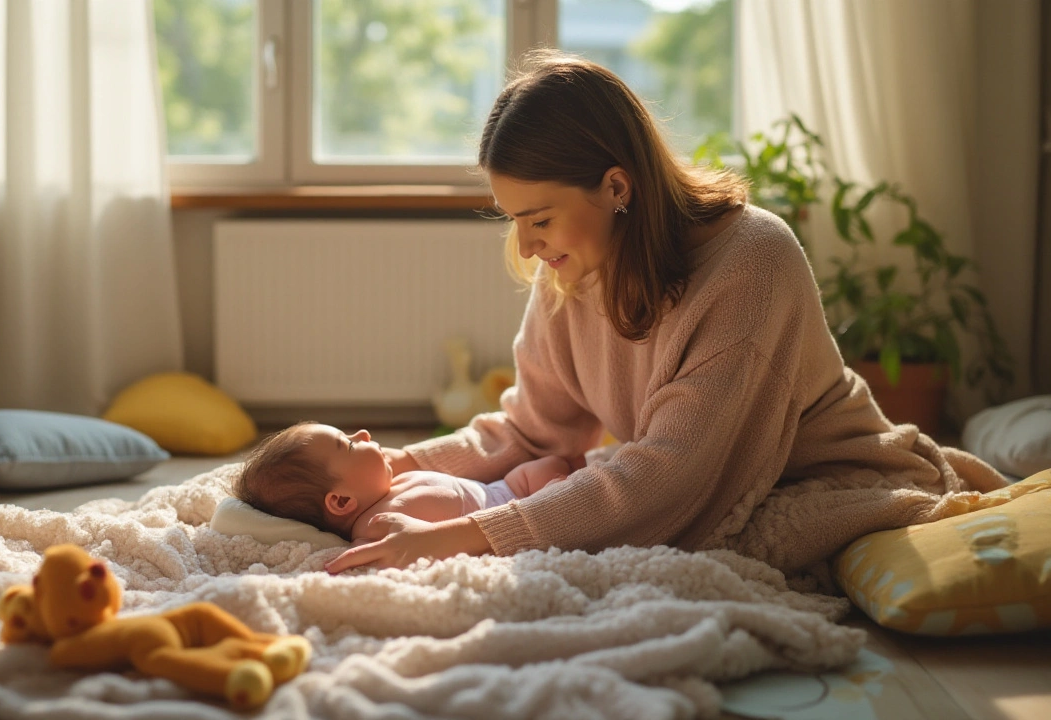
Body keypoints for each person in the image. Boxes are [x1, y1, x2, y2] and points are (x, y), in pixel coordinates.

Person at [324, 50, 1008, 583]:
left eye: (539, 219)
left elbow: (667, 478)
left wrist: (458, 537)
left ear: (616, 187)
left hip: (820, 481)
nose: (527, 246)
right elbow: (531, 432)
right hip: (697, 479)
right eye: (515, 221)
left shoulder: (751, 262)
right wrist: (381, 467)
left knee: (658, 554)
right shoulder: (572, 268)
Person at [233, 422, 583, 543]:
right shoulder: (376, 523)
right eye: (350, 443)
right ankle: (572, 488)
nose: (365, 434)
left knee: (555, 461)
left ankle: (578, 479)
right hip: (513, 507)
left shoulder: (387, 489)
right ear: (341, 502)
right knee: (560, 481)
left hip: (505, 488)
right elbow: (377, 550)